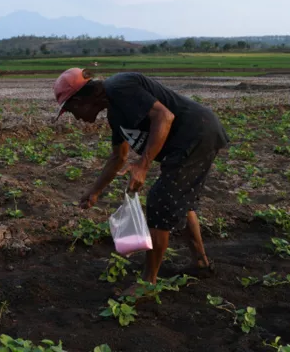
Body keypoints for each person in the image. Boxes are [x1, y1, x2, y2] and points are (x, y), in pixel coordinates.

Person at [53, 68, 229, 292]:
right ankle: (201, 263)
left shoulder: (120, 87)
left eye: (71, 109)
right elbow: (119, 157)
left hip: (197, 133)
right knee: (181, 201)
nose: (75, 117)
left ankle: (148, 282)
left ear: (80, 99)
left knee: (159, 200)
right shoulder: (115, 114)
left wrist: (143, 166)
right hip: (191, 139)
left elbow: (164, 116)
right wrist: (94, 191)